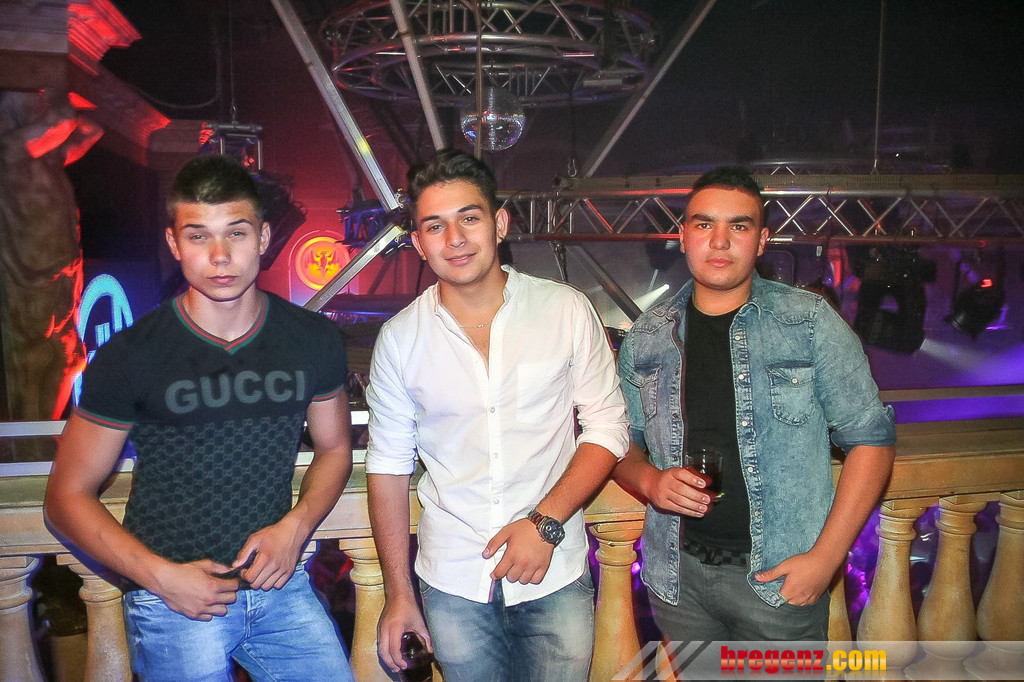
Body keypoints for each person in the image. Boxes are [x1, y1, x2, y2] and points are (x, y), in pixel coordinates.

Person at [44, 155, 355, 680]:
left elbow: (335, 448)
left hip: (280, 588)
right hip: (175, 600)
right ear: (174, 244)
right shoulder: (132, 355)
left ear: (263, 237)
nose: (219, 255)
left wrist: (296, 527)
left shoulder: (311, 339)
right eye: (198, 236)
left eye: (236, 232)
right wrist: (161, 578)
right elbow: (65, 497)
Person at [365, 149, 629, 681]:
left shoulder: (565, 310)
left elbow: (607, 428)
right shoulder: (400, 338)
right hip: (452, 580)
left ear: (500, 224)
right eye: (435, 226)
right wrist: (398, 594)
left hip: (554, 568)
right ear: (418, 243)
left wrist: (545, 522)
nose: (455, 239)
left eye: (469, 218)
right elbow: (388, 466)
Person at [614, 166, 895, 642]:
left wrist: (825, 560)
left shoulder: (809, 322)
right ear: (683, 236)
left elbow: (872, 442)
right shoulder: (647, 336)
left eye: (739, 226)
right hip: (678, 582)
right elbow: (621, 443)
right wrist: (649, 480)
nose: (719, 241)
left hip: (778, 584)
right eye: (704, 224)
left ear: (762, 241)